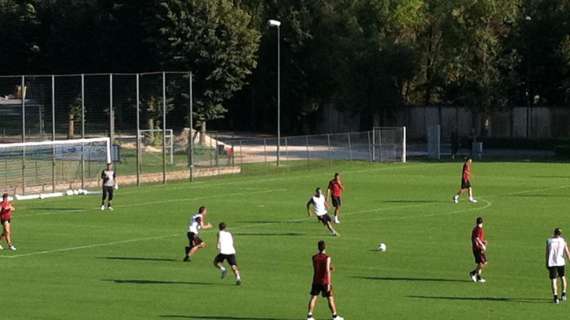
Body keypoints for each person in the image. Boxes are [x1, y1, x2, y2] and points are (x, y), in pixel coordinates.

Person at [307, 240, 344, 320]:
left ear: (318, 247)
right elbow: (327, 271)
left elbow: (316, 268)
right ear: (325, 247)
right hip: (324, 281)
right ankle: (335, 316)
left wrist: (328, 268)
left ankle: (309, 316)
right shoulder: (327, 257)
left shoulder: (314, 257)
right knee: (330, 298)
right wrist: (329, 283)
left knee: (313, 297)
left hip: (316, 281)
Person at [546, 227, 570, 304]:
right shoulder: (563, 241)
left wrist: (546, 262)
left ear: (554, 232)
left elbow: (547, 253)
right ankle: (563, 294)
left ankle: (555, 297)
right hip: (561, 262)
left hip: (552, 263)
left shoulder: (549, 241)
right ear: (560, 234)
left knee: (554, 280)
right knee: (562, 277)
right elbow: (567, 252)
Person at [469, 217, 487, 283]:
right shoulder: (479, 229)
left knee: (482, 263)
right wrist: (482, 245)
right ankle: (473, 273)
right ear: (482, 222)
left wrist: (483, 241)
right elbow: (477, 238)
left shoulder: (476, 228)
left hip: (477, 248)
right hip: (478, 249)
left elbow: (477, 238)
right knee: (483, 263)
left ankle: (478, 277)